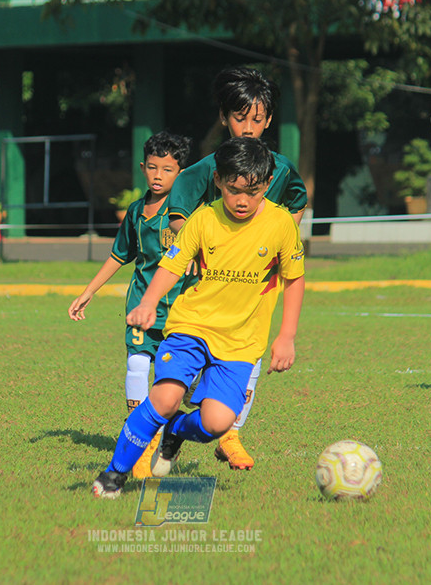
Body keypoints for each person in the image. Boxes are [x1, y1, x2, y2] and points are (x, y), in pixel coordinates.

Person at [92, 137, 306, 498]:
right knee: (165, 397)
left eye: (252, 192)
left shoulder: (281, 224)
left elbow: (294, 278)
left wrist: (286, 336)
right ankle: (115, 473)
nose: (242, 200)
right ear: (219, 180)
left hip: (241, 342)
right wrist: (148, 302)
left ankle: (176, 431)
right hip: (191, 327)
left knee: (216, 423)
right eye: (234, 190)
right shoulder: (204, 219)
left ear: (267, 184)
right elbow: (171, 266)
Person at [165, 66, 308, 470]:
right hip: (208, 288)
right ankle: (169, 420)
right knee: (194, 360)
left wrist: (281, 241)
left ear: (268, 121)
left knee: (249, 353)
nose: (248, 127)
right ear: (225, 118)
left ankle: (229, 433)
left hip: (255, 285)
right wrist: (193, 244)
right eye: (240, 118)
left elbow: (297, 202)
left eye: (257, 119)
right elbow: (178, 215)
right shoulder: (204, 169)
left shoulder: (280, 169)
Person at [68, 131, 192, 478]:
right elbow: (118, 255)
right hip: (142, 307)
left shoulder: (191, 213)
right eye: (152, 167)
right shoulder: (137, 211)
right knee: (137, 364)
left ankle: (173, 433)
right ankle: (141, 443)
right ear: (142, 167)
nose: (157, 175)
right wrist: (88, 291)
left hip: (183, 313)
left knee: (183, 388)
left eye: (167, 170)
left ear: (181, 173)